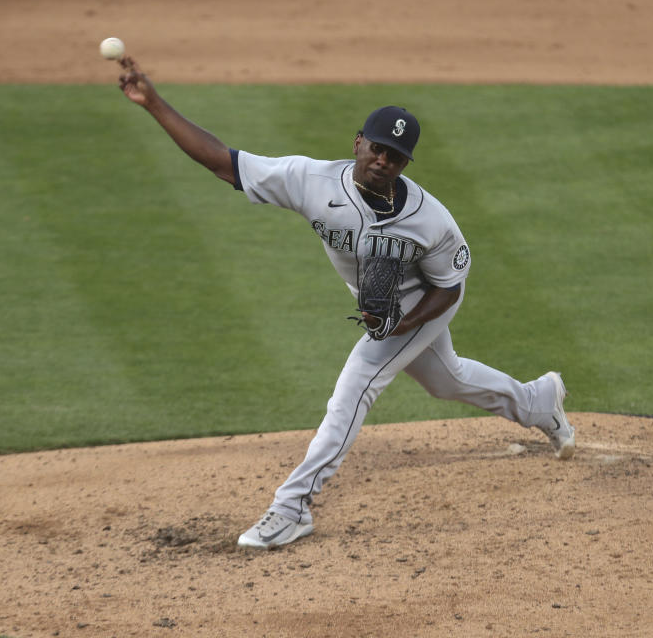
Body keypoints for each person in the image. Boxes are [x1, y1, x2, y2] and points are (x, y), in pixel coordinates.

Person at [115, 56, 576, 550]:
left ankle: (292, 507)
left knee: (355, 386)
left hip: (423, 303)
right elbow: (221, 161)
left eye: (396, 157)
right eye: (377, 148)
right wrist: (154, 104)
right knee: (448, 379)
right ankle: (536, 402)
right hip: (390, 313)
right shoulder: (309, 180)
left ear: (404, 165)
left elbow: (450, 287)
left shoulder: (432, 221)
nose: (383, 160)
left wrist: (403, 325)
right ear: (358, 143)